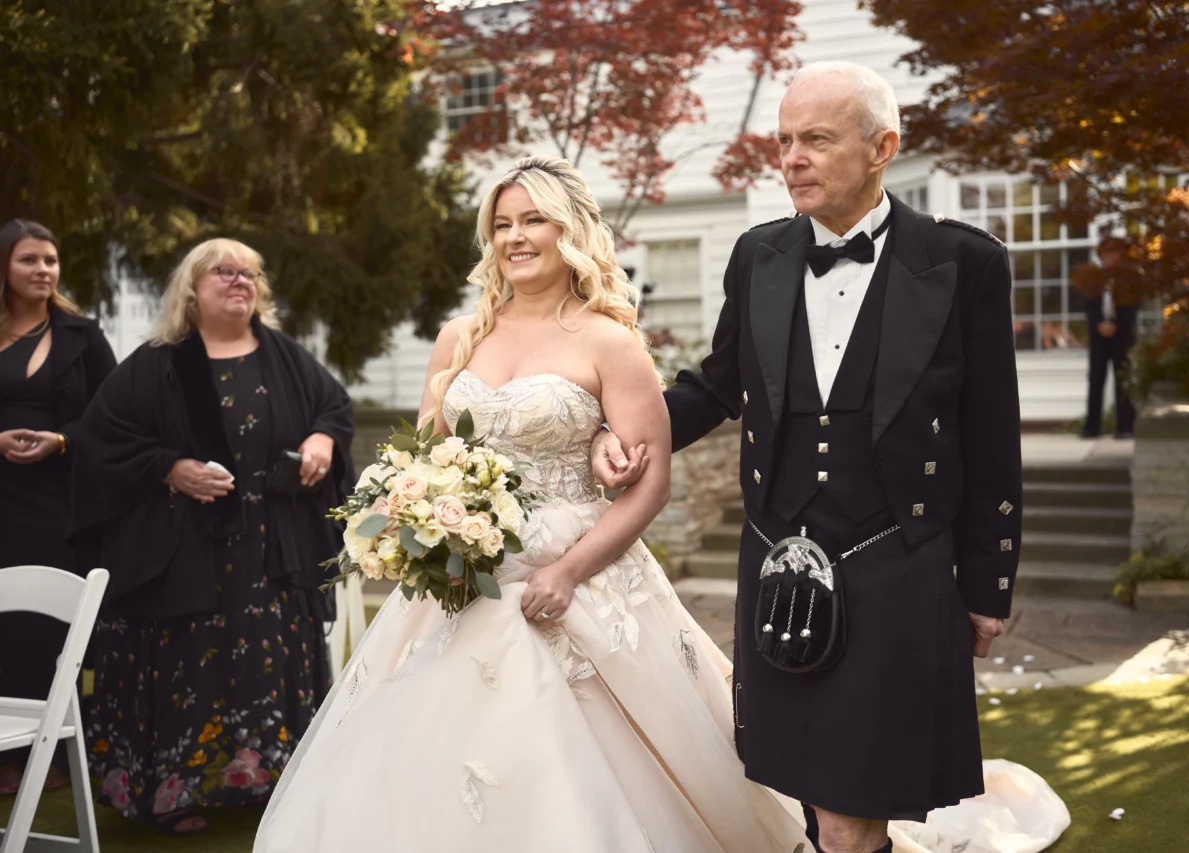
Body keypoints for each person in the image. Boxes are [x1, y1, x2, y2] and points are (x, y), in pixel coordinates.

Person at [253, 156, 811, 852]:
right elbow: (422, 455)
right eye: (502, 224)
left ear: (569, 230)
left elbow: (650, 484)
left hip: (575, 570)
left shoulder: (609, 340)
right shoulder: (460, 337)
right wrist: (407, 519)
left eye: (533, 220)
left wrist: (569, 572)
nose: (515, 237)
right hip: (458, 574)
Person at [594, 62, 1066, 853]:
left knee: (850, 816)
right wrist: (626, 430)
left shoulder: (963, 263)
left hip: (899, 560)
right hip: (780, 559)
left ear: (882, 146)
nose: (792, 158)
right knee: (810, 799)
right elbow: (717, 385)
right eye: (784, 140)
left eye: (815, 138)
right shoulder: (759, 256)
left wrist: (987, 583)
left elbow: (991, 435)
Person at [67, 238, 355, 834]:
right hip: (182, 553)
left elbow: (334, 408)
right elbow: (103, 441)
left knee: (264, 665)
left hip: (270, 551)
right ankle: (173, 791)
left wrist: (324, 439)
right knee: (186, 665)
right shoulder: (157, 363)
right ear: (191, 290)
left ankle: (266, 781)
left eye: (249, 272)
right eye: (222, 272)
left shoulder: (285, 357)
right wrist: (168, 467)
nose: (239, 281)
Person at [0, 219, 117, 795]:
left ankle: (51, 756)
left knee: (44, 626)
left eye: (50, 259)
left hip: (58, 501)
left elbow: (114, 415)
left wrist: (63, 440)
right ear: (5, 267)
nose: (43, 270)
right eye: (29, 260)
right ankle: (5, 757)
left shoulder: (82, 335)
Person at [1072, 235, 1141, 438]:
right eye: (1107, 253)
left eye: (1114, 252)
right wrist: (1098, 325)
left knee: (1123, 379)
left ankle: (1126, 426)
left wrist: (1117, 324)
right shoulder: (1094, 279)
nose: (1111, 257)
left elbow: (1133, 306)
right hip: (1099, 336)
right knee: (1096, 379)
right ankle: (1092, 427)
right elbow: (1088, 306)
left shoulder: (1130, 278)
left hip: (1122, 335)